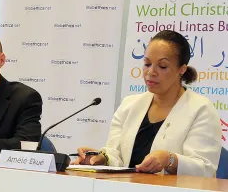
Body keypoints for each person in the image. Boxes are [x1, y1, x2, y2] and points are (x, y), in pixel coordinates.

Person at [72, 30, 221, 177]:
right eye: (147, 64)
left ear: (181, 70)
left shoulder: (201, 109)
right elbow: (116, 156)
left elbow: (205, 169)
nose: (151, 72)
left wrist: (170, 160)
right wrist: (100, 159)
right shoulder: (129, 105)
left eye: (162, 66)